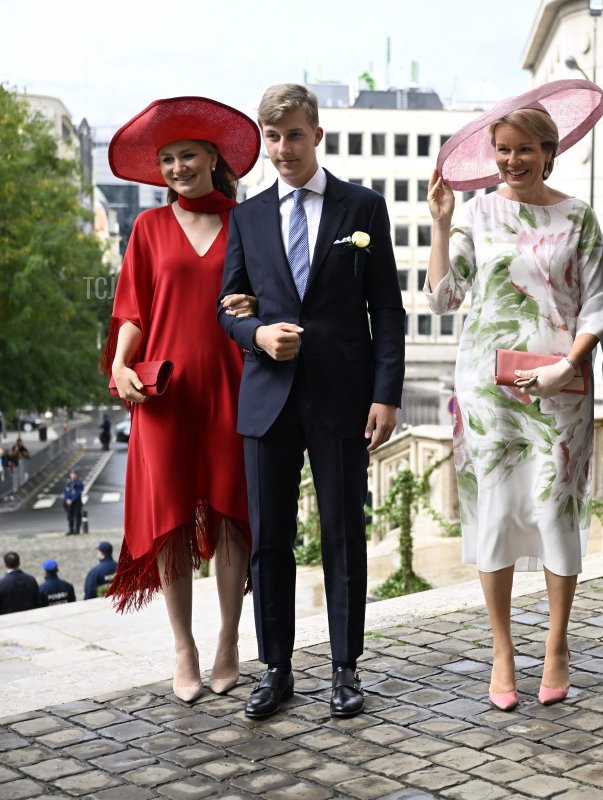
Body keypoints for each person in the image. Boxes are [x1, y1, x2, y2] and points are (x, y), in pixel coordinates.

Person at [218, 83, 406, 720]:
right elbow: (228, 306)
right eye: (272, 137)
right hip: (267, 396)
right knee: (270, 537)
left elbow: (387, 308)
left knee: (342, 534)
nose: (282, 148)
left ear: (317, 135)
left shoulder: (365, 207)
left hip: (343, 397)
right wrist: (257, 333)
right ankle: (275, 669)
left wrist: (386, 395)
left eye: (293, 135)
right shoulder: (246, 217)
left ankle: (346, 668)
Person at [426, 79, 603, 711]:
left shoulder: (578, 215)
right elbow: (444, 297)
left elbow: (599, 303)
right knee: (496, 515)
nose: (512, 160)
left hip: (560, 387)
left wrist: (570, 364)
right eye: (503, 149)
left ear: (548, 150)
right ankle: (503, 649)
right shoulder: (477, 212)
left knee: (555, 512)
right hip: (488, 390)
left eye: (525, 148)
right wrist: (441, 223)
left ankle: (557, 643)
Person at [103, 96, 261, 703]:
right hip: (165, 392)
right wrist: (120, 363)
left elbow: (266, 297)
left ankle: (227, 642)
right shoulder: (146, 228)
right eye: (166, 159)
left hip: (230, 384)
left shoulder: (247, 224)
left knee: (229, 518)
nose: (175, 167)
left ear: (213, 158)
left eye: (186, 155)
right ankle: (183, 648)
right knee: (170, 523)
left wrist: (254, 306)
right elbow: (132, 311)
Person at [62, 469, 84, 536]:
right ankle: (71, 530)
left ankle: (77, 530)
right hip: (68, 501)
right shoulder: (68, 482)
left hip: (76, 501)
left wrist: (72, 499)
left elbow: (78, 492)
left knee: (77, 516)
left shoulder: (79, 482)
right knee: (69, 516)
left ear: (76, 475)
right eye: (71, 474)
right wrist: (67, 499)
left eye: (74, 474)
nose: (72, 475)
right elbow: (65, 491)